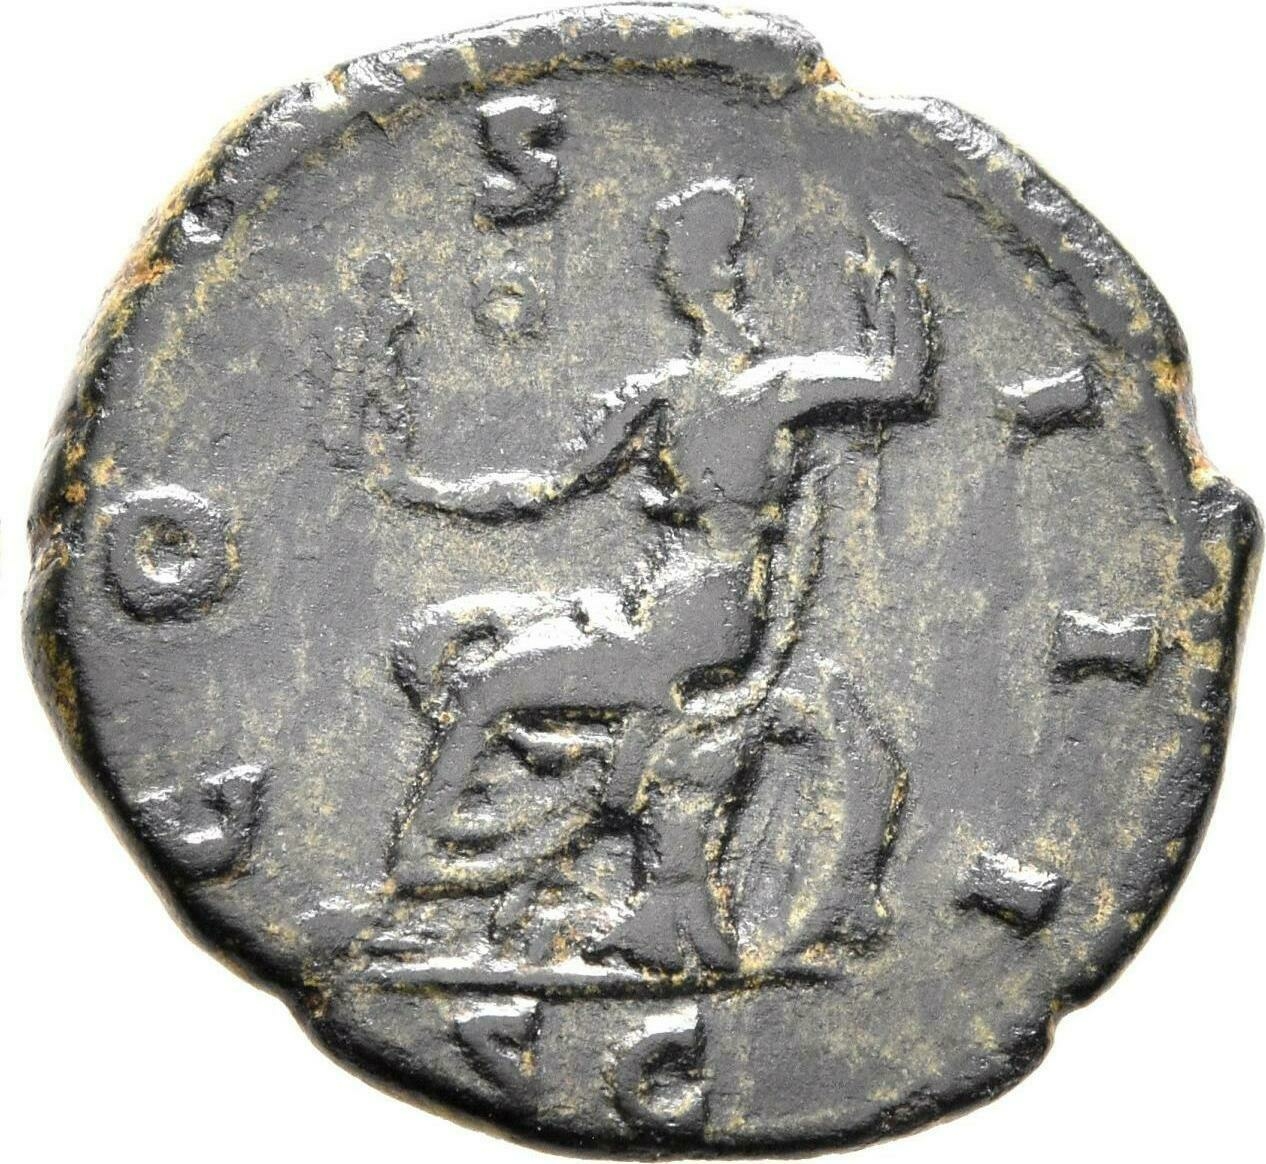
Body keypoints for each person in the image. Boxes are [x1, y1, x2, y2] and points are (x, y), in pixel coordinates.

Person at [367, 179, 931, 965]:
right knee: (490, 665)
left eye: (677, 257)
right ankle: (492, 864)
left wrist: (894, 274)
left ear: (715, 272)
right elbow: (547, 489)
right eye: (670, 258)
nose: (669, 273)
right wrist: (419, 485)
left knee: (489, 685)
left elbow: (900, 381)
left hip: (699, 625)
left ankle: (419, 869)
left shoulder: (773, 390)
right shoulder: (669, 392)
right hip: (658, 612)